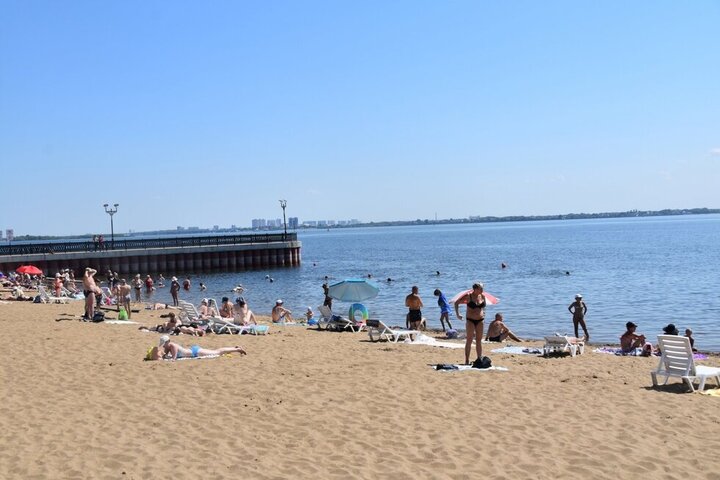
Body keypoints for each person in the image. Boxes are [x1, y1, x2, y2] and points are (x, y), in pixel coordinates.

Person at [455, 282, 486, 365]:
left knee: (479, 340)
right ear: (475, 289)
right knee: (469, 340)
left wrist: (483, 313)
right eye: (481, 288)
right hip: (470, 320)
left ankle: (479, 359)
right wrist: (458, 314)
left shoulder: (482, 296)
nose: (482, 290)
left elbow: (483, 307)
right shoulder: (469, 296)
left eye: (483, 288)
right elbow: (456, 303)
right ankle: (467, 360)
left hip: (480, 320)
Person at [146, 335, 245, 361]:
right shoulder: (168, 347)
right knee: (217, 352)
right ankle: (235, 348)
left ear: (168, 341)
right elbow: (166, 355)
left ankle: (237, 349)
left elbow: (174, 358)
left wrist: (168, 358)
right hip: (194, 351)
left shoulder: (172, 345)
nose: (163, 346)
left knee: (217, 352)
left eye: (164, 344)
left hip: (196, 352)